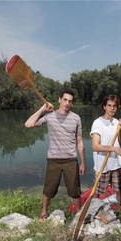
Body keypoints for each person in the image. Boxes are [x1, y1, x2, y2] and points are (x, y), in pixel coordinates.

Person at [25, 89, 86, 220]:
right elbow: (28, 124)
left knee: (75, 192)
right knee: (49, 189)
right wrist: (42, 109)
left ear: (72, 103)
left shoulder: (76, 118)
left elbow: (80, 142)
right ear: (59, 100)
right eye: (65, 100)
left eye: (70, 101)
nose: (67, 103)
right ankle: (43, 213)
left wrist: (83, 163)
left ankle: (78, 216)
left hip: (71, 160)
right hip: (53, 160)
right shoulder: (49, 116)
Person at [90, 95, 121, 208]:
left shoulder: (116, 122)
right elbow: (95, 146)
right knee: (97, 193)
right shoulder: (97, 123)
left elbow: (119, 142)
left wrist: (120, 130)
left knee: (119, 191)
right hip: (102, 166)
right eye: (109, 105)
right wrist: (114, 149)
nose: (112, 108)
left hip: (116, 164)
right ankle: (93, 211)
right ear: (104, 107)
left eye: (114, 106)